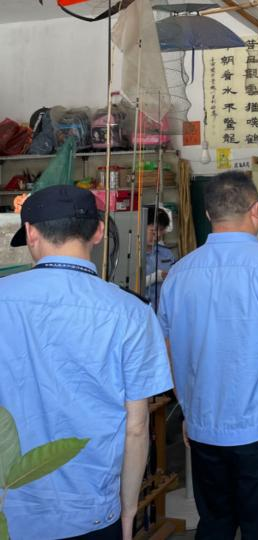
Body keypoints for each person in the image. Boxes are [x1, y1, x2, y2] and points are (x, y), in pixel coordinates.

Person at [0, 185, 173, 540]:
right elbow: (137, 427)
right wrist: (128, 509)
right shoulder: (133, 312)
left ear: (30, 233)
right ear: (98, 232)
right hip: (92, 511)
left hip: (9, 509)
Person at [158, 172, 258, 539]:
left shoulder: (178, 274)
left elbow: (170, 352)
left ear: (208, 214)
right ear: (256, 210)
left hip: (204, 426)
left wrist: (188, 409)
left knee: (215, 522)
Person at [144, 206, 175, 309]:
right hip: (142, 311)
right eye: (153, 230)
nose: (157, 235)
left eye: (161, 230)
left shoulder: (167, 253)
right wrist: (154, 277)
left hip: (164, 310)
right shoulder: (131, 255)